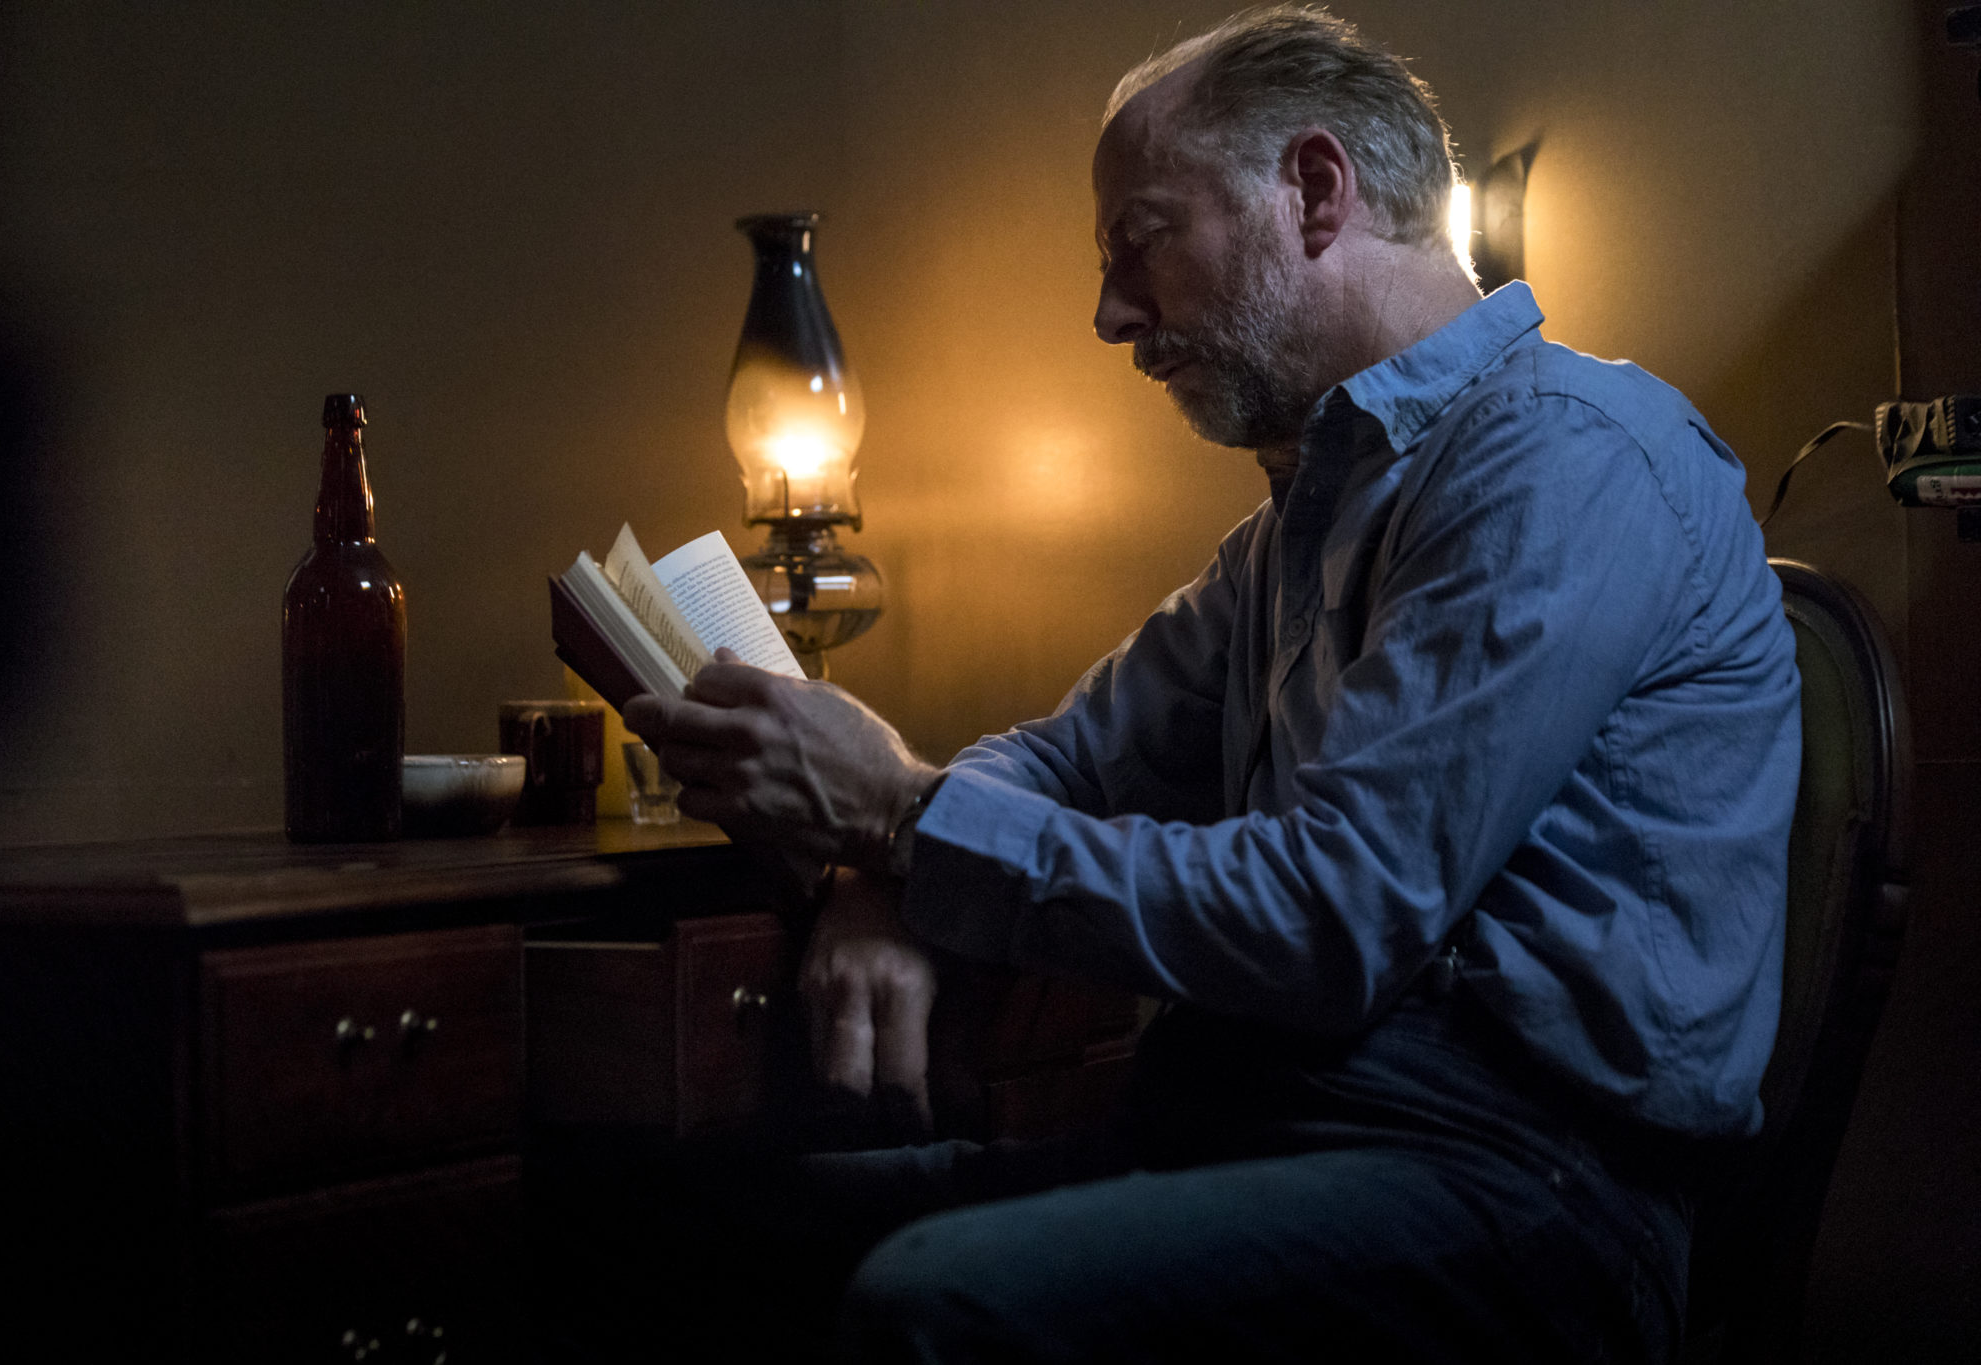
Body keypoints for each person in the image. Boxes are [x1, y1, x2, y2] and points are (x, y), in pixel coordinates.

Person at [621, 5, 1799, 1360]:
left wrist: (901, 817)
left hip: (1522, 1195)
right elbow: (1068, 756)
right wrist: (887, 874)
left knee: (931, 1301)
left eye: (1143, 239)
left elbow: (1333, 915)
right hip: (1262, 1132)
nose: (1111, 315)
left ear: (1314, 191)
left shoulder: (1564, 459)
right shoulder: (1289, 535)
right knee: (701, 1229)